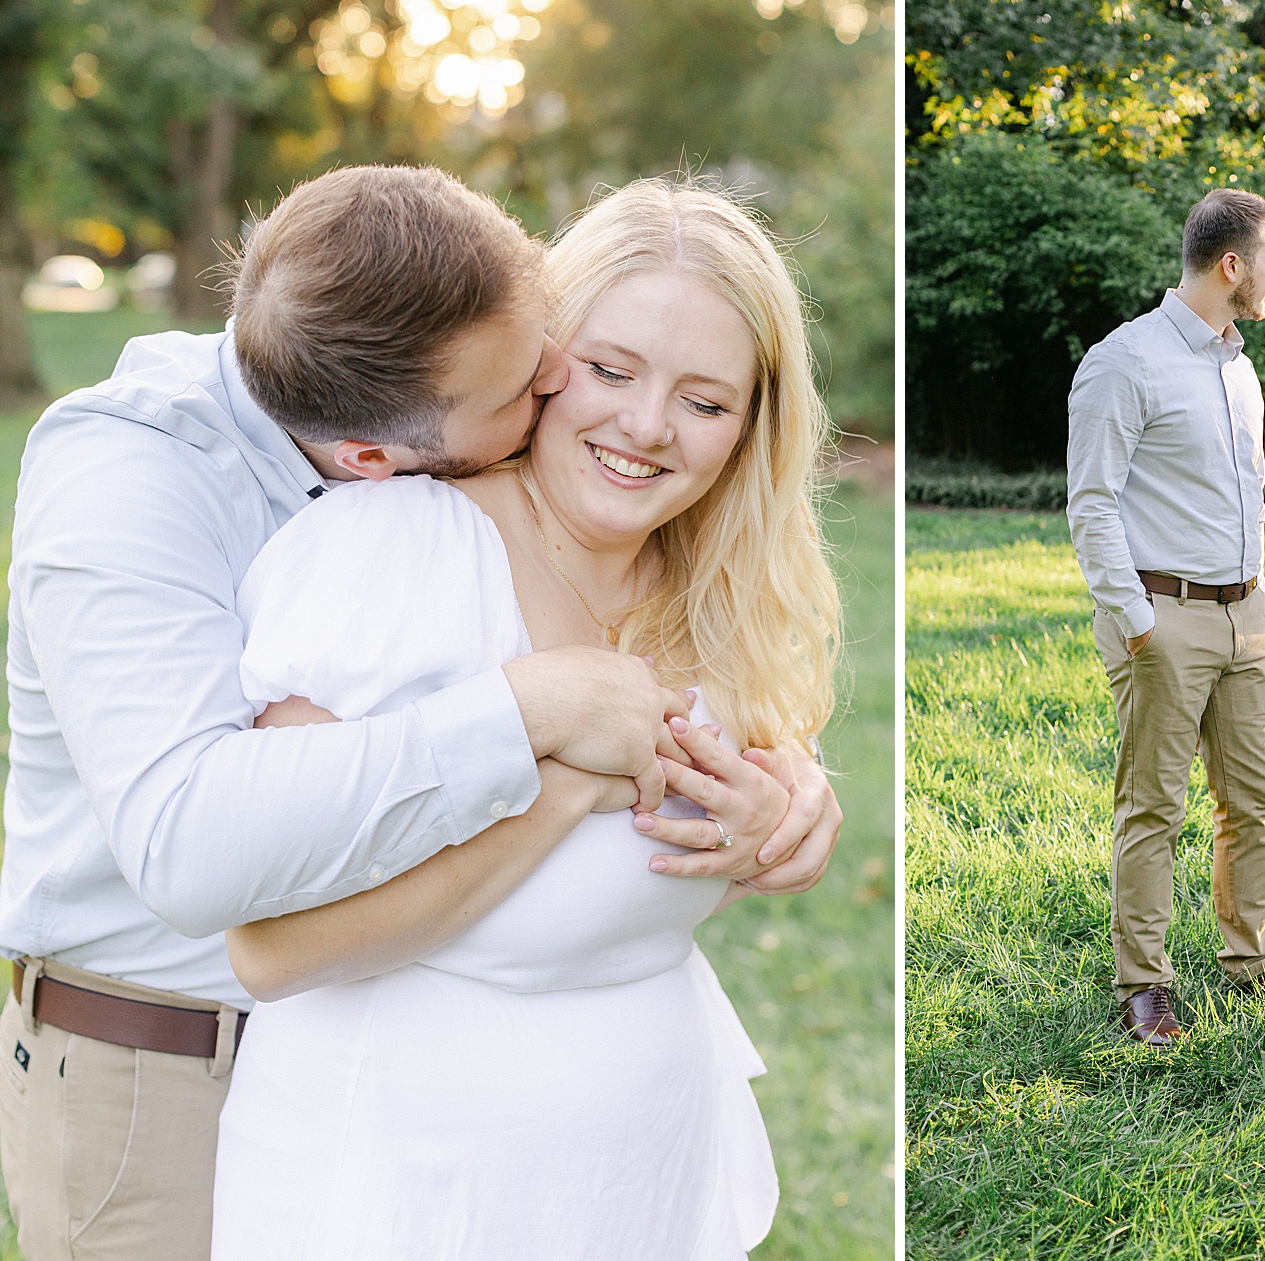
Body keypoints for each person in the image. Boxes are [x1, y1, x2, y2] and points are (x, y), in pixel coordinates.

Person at [0, 166, 839, 1261]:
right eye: (575, 371)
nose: (569, 392)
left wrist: (784, 799)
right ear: (375, 458)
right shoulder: (156, 479)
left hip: (607, 1169)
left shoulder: (417, 356)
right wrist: (545, 735)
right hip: (155, 1042)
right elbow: (203, 860)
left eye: (705, 397)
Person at [1066, 187, 1265, 1048]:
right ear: (1232, 265)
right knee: (1154, 806)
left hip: (1246, 619)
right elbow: (1090, 503)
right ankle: (1146, 984)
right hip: (1163, 616)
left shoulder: (1238, 365)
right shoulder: (1125, 361)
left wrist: (1260, 603)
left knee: (1253, 799)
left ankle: (1249, 959)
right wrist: (1137, 622)